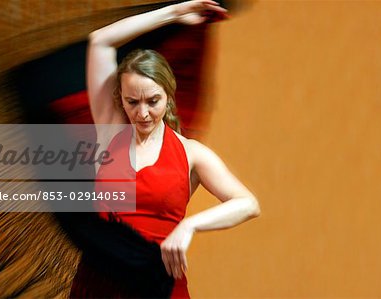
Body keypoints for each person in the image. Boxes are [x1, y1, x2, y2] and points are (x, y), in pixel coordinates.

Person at [70, 1, 260, 298]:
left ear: (168, 97)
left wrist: (189, 226)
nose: (142, 113)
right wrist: (173, 14)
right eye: (132, 102)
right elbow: (101, 41)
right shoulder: (110, 132)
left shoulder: (191, 153)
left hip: (157, 288)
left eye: (153, 101)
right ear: (120, 99)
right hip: (98, 286)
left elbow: (248, 204)